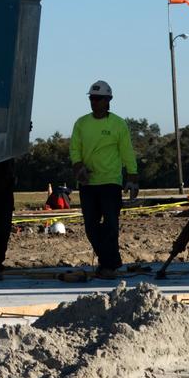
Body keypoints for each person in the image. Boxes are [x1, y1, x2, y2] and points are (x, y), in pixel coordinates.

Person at [70, 79, 137, 280]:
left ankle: (108, 266)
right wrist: (78, 167)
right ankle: (112, 261)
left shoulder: (118, 124)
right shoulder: (81, 123)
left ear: (108, 100)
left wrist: (133, 177)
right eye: (92, 98)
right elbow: (74, 149)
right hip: (88, 183)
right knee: (91, 226)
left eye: (98, 99)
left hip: (110, 182)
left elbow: (127, 152)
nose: (94, 102)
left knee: (110, 225)